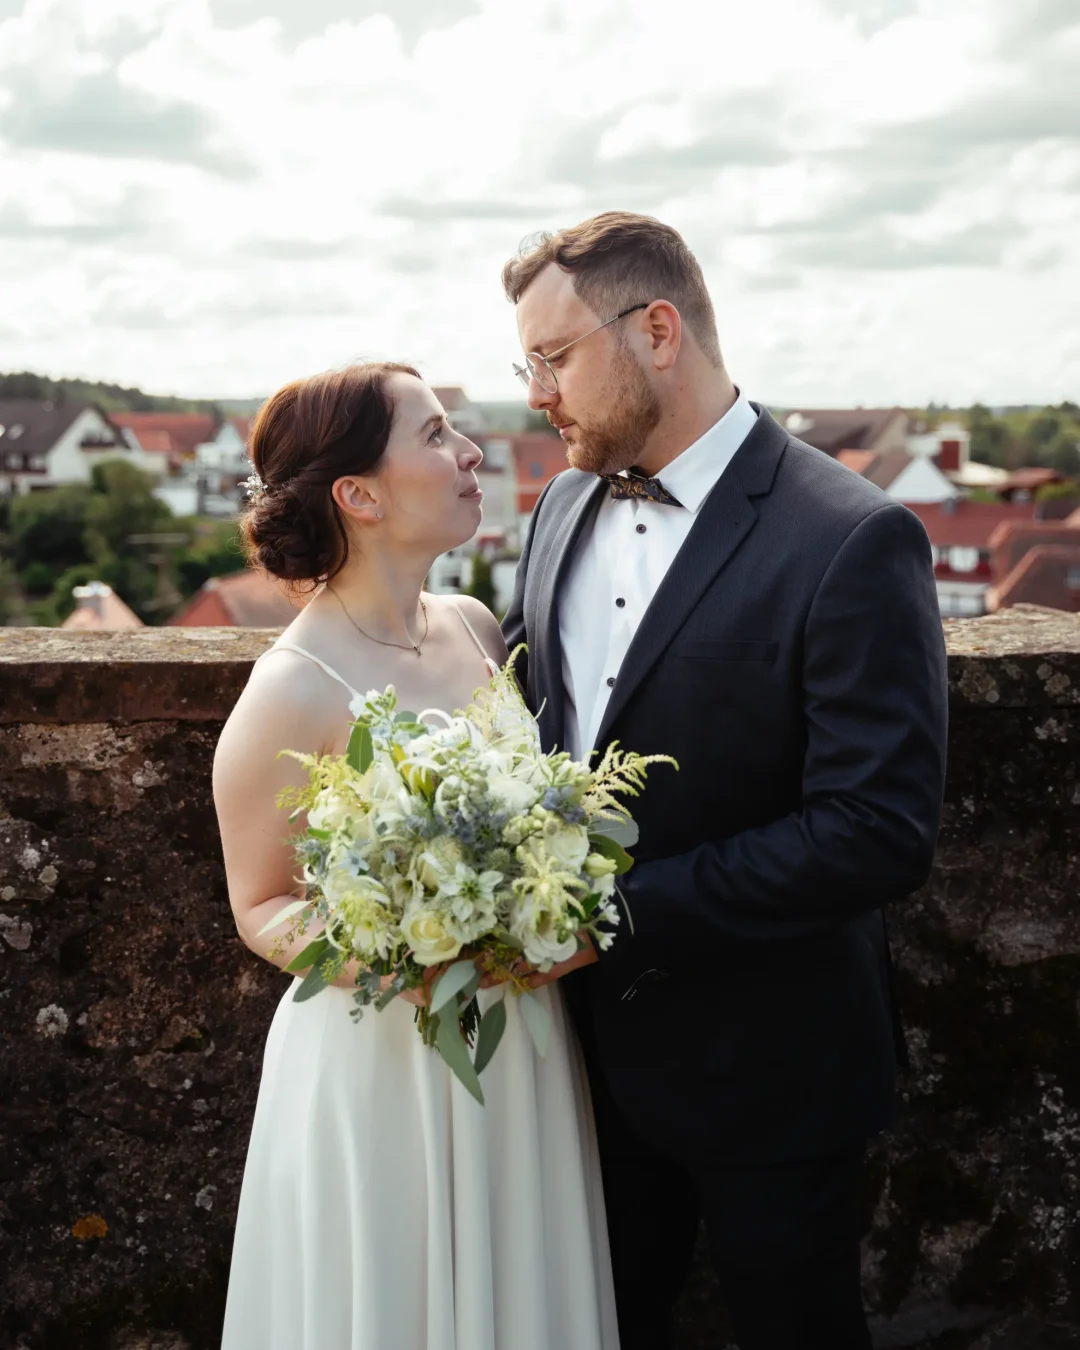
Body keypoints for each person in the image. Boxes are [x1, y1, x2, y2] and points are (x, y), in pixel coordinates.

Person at [501, 211, 949, 1350]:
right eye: (528, 365)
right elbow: (527, 721)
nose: (536, 393)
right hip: (573, 1067)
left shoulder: (851, 537)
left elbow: (874, 829)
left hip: (774, 1067)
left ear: (657, 330)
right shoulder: (557, 507)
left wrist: (616, 915)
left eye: (553, 359)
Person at [212, 362, 618, 1350]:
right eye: (436, 434)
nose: (471, 451)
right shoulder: (291, 690)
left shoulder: (478, 629)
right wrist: (419, 957)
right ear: (360, 493)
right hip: (387, 1060)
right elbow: (262, 907)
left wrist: (552, 910)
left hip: (519, 1042)